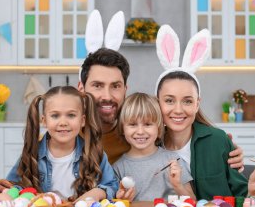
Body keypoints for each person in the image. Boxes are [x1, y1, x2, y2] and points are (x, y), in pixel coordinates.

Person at [154, 25, 255, 200]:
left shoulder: (218, 141)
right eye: (169, 100)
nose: (178, 110)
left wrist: (253, 191)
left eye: (188, 101)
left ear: (197, 104)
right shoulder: (148, 144)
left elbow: (241, 198)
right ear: (157, 102)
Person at [77, 48, 245, 170]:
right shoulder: (66, 132)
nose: (107, 96)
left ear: (125, 89)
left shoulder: (138, 129)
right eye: (97, 85)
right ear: (81, 88)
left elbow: (180, 134)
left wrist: (223, 148)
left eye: (115, 86)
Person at [0, 86, 118, 201]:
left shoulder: (95, 153)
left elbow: (112, 184)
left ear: (82, 120)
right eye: (55, 116)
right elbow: (13, 187)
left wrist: (97, 192)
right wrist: (1, 191)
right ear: (44, 121)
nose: (63, 122)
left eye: (71, 115)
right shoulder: (32, 153)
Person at [113, 92, 195, 201]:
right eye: (132, 124)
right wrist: (122, 200)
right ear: (123, 128)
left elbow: (193, 202)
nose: (140, 131)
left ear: (159, 127)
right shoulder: (118, 168)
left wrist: (177, 185)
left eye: (147, 124)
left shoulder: (173, 161)